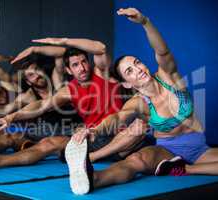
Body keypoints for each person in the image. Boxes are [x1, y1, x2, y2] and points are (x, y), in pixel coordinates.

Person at [65, 7, 218, 195]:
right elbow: (117, 118)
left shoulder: (169, 76)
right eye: (129, 71)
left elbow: (162, 52)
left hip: (200, 149)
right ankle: (93, 179)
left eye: (137, 63)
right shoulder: (139, 102)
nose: (137, 69)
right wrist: (95, 130)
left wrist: (145, 22)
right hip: (167, 151)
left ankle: (185, 169)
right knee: (136, 160)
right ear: (127, 84)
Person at [0, 37, 149, 170]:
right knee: (48, 143)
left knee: (139, 126)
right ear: (69, 70)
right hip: (90, 137)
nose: (81, 68)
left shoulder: (101, 73)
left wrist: (63, 41)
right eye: (75, 65)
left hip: (118, 138)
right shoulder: (69, 90)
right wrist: (9, 118)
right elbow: (41, 106)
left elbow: (101, 48)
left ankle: (92, 158)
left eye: (84, 62)